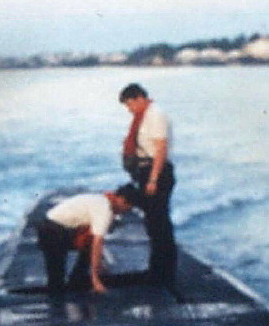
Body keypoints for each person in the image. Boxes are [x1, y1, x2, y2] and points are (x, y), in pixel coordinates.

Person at [119, 83, 177, 286]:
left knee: (159, 223)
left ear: (138, 98)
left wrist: (153, 178)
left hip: (157, 172)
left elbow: (161, 148)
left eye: (129, 105)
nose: (129, 109)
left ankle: (164, 271)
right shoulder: (142, 117)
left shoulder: (155, 115)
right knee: (153, 222)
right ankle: (158, 268)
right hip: (146, 170)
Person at [35, 184, 139, 295]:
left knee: (88, 245)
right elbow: (98, 242)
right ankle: (59, 293)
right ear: (122, 200)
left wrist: (100, 263)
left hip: (57, 228)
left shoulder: (102, 200)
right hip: (52, 232)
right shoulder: (105, 209)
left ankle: (76, 279)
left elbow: (92, 239)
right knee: (56, 278)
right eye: (127, 208)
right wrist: (96, 279)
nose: (125, 211)